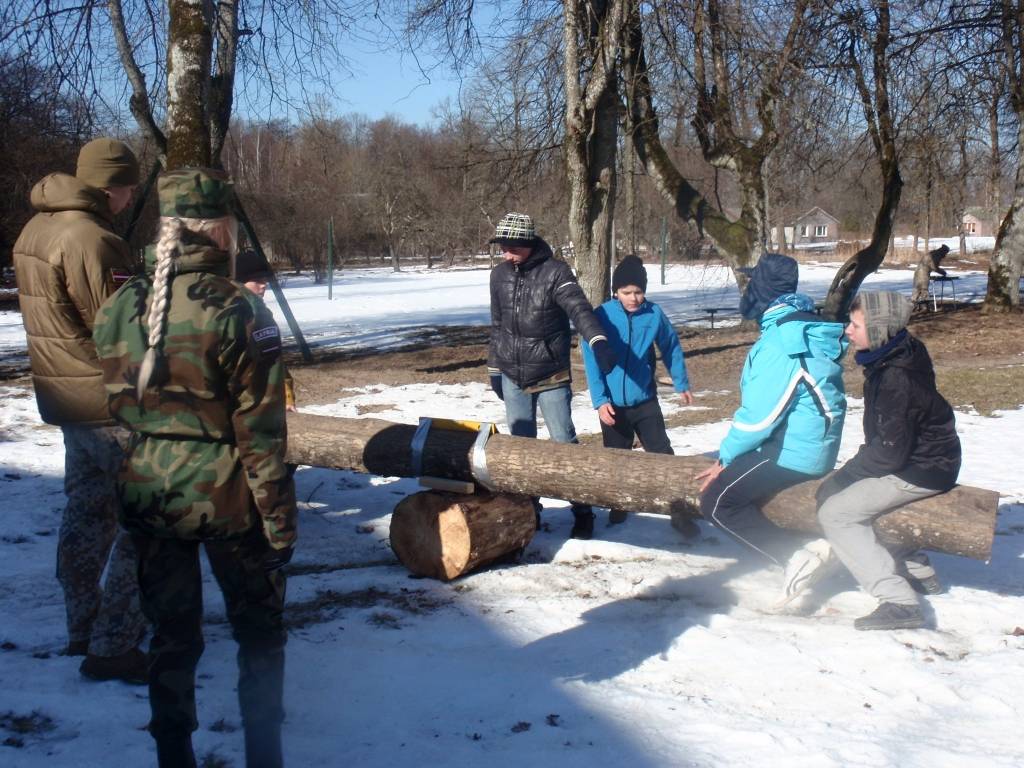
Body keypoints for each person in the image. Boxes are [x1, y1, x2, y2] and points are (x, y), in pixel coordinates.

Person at [93, 168, 297, 767]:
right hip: (230, 499)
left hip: (149, 492)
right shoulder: (240, 310)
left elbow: (117, 404)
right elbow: (260, 433)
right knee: (259, 634)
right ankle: (265, 754)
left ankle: (172, 755)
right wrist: (280, 523)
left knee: (170, 637)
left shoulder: (119, 304)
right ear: (222, 231)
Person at [12, 137, 148, 683]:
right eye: (131, 184)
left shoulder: (36, 229)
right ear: (112, 185)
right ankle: (115, 643)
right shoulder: (92, 239)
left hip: (66, 397)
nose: (133, 194)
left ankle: (82, 626)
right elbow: (117, 330)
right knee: (150, 521)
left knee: (87, 515)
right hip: (108, 402)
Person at [806, 291, 961, 631]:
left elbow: (890, 452)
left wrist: (843, 477)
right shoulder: (900, 350)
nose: (847, 330)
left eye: (856, 324)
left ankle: (899, 602)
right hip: (929, 457)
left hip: (922, 467)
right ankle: (919, 571)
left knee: (837, 512)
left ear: (878, 330)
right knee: (854, 498)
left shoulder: (895, 377)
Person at [695, 253, 847, 571]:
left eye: (751, 283)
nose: (746, 291)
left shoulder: (781, 341)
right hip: (809, 443)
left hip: (795, 451)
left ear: (762, 289)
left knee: (717, 501)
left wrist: (724, 459)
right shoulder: (799, 324)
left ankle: (798, 558)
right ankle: (806, 556)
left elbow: (759, 419)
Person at [486, 212, 616, 540]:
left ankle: (582, 511)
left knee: (564, 443)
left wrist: (597, 340)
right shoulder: (498, 275)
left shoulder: (556, 272)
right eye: (502, 246)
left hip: (550, 373)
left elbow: (579, 309)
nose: (505, 252)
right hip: (513, 373)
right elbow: (497, 324)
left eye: (511, 247)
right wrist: (494, 366)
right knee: (520, 447)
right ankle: (528, 510)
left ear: (528, 244)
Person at [581, 255, 694, 528]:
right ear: (615, 292)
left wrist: (681, 382)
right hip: (613, 404)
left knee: (661, 453)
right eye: (626, 292)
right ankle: (619, 505)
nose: (633, 298)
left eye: (639, 292)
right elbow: (590, 360)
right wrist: (600, 400)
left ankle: (679, 510)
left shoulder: (653, 314)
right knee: (617, 457)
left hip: (644, 399)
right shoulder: (601, 315)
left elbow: (670, 346)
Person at [234, 248, 297, 412]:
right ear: (239, 282)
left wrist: (287, 395)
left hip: (265, 403)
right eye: (257, 280)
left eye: (265, 279)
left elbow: (275, 360)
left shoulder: (262, 314)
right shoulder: (232, 317)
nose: (264, 285)